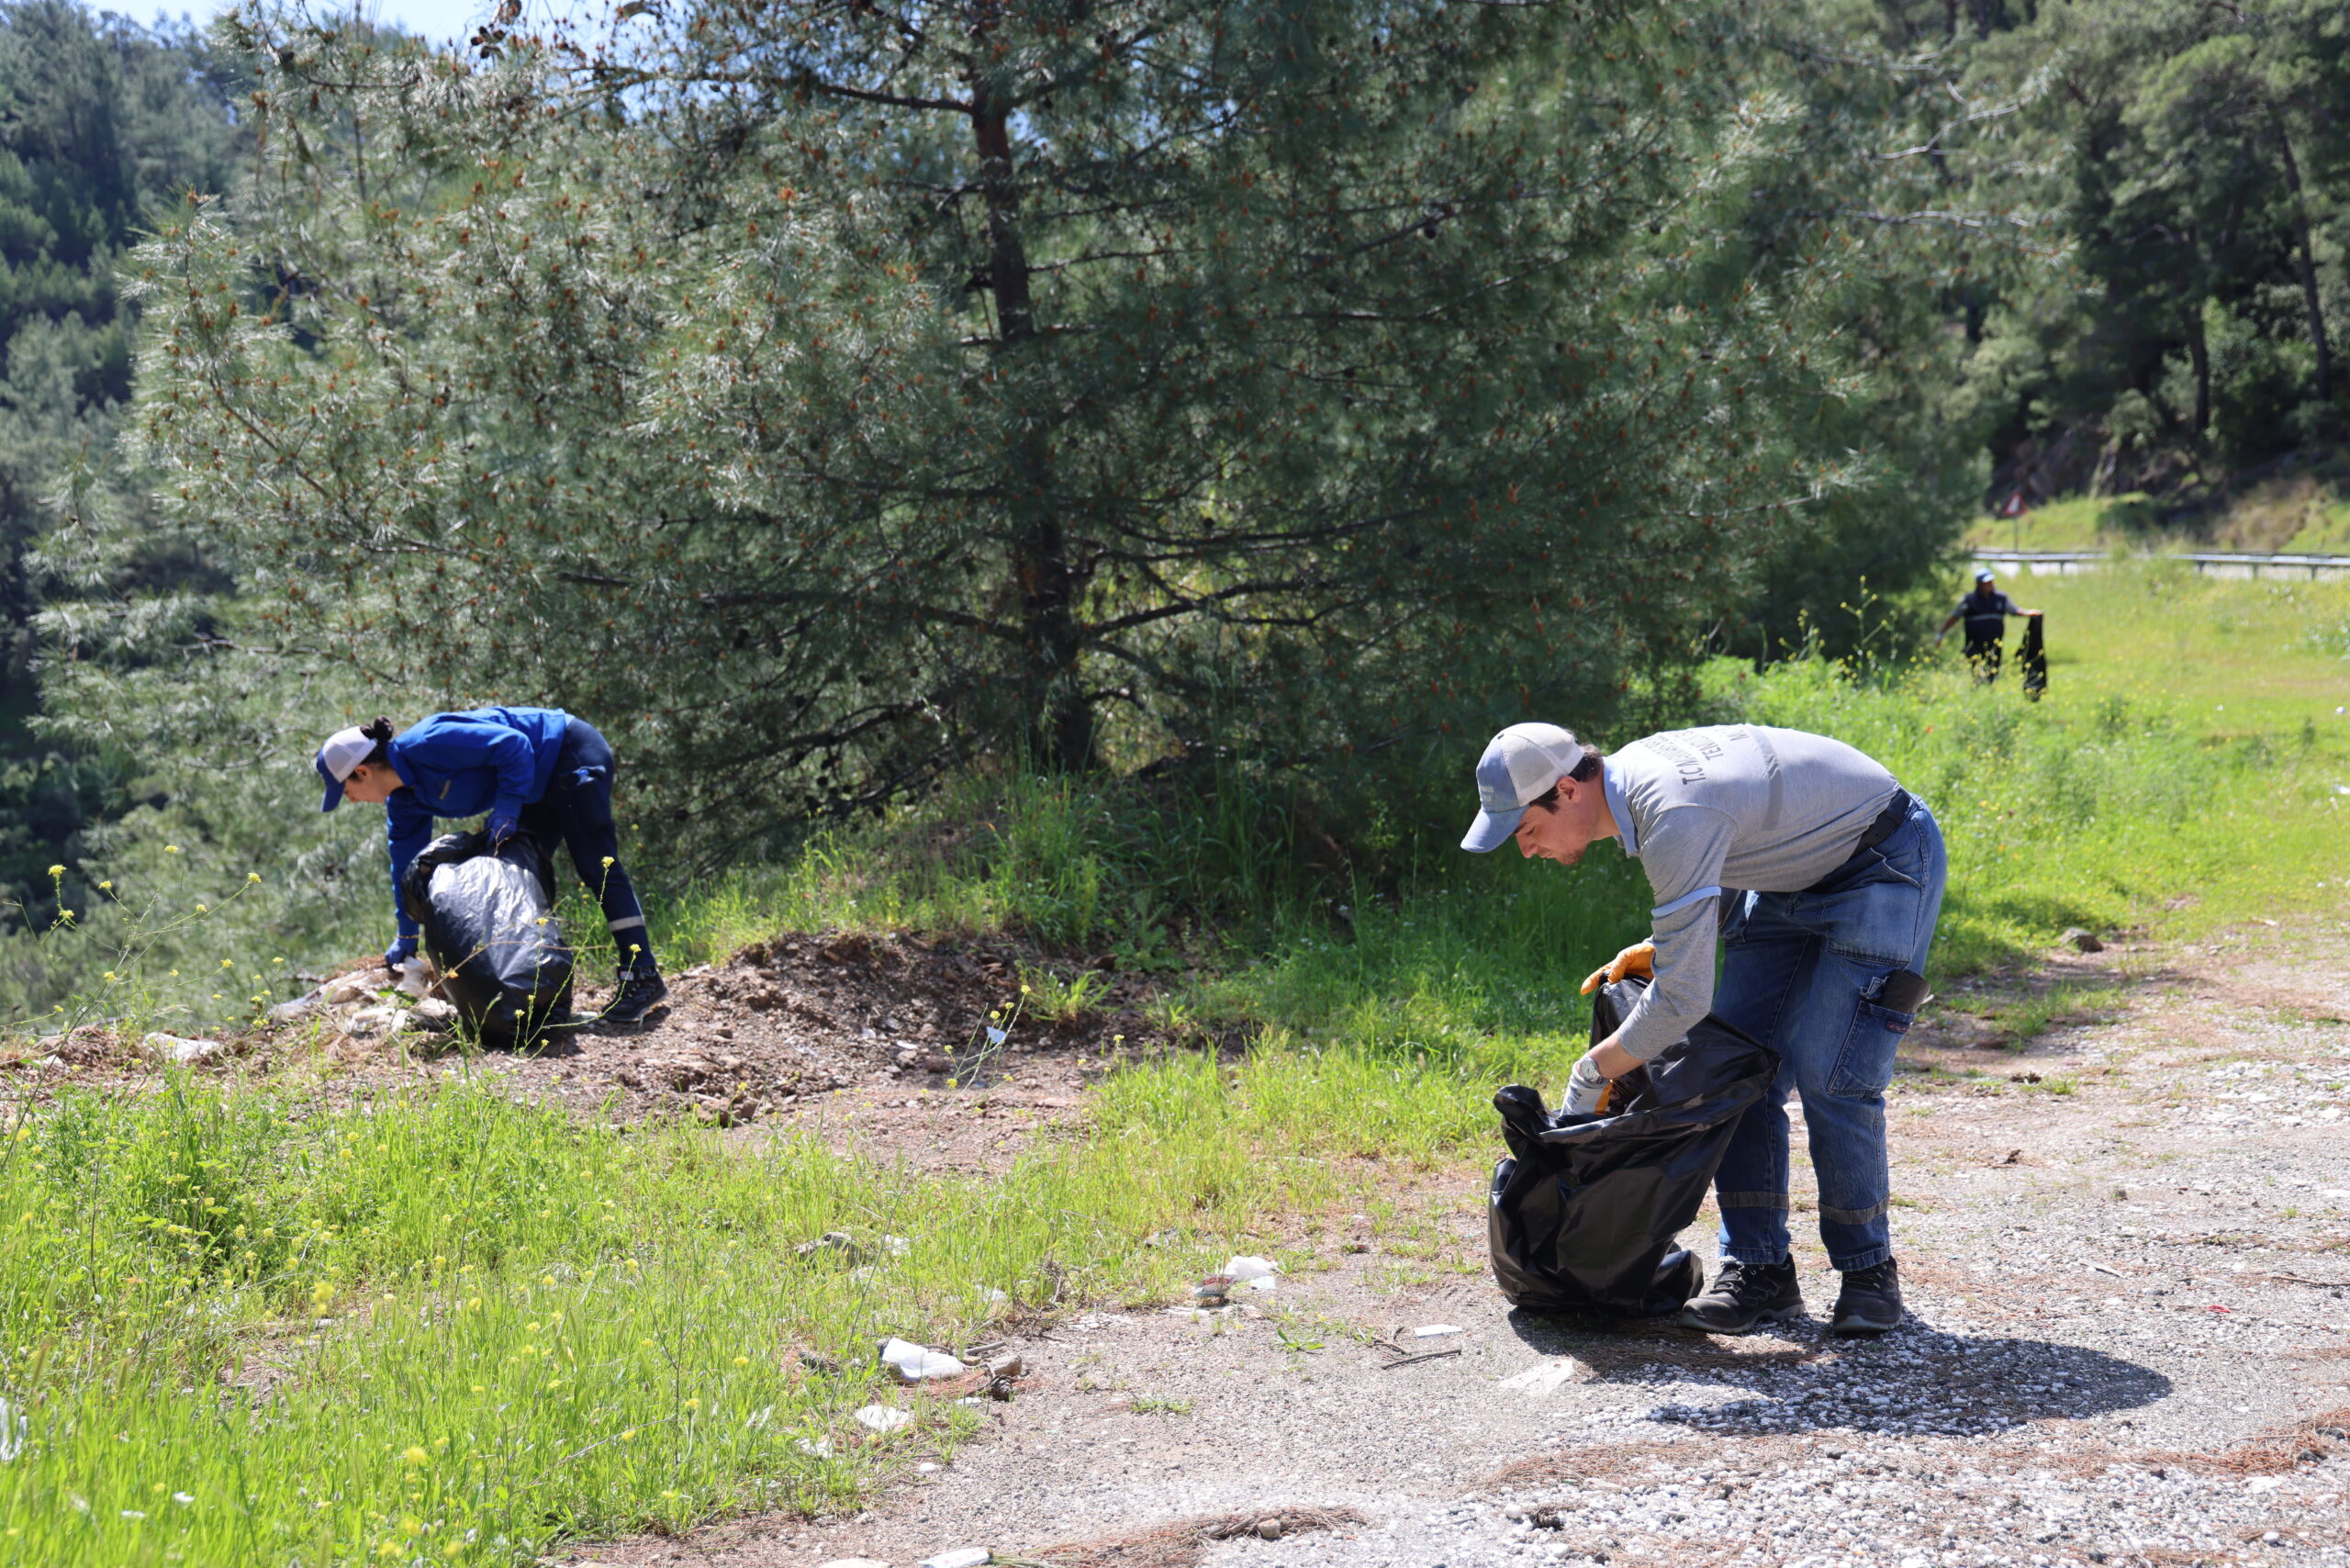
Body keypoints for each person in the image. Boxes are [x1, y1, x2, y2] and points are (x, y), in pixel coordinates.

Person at [1460, 722, 1945, 1336]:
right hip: (1785, 876)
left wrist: (1592, 1074)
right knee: (1735, 1073)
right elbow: (1730, 837)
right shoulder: (1637, 792)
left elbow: (1683, 1002)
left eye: (1527, 831)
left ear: (1568, 790)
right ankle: (1760, 1270)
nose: (1527, 851)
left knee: (1834, 1076)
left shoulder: (1668, 811)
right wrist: (1663, 947)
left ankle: (1868, 1272)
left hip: (1881, 863)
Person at [312, 707, 668, 1024]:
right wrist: (407, 933)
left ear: (362, 772)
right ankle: (533, 992)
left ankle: (642, 974)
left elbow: (514, 745)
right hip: (533, 783)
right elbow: (405, 866)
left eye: (345, 791)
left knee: (596, 863)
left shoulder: (429, 742)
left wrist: (508, 808)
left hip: (565, 750)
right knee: (514, 878)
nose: (351, 800)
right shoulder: (404, 803)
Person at [1937, 568, 2038, 683]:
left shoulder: (2001, 599)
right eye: (1986, 582)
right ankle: (1978, 687)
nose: (1990, 584)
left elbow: (2014, 611)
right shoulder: (1968, 600)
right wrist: (1941, 634)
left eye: (1991, 582)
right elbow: (1954, 617)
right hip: (1974, 644)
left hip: (1994, 644)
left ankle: (1990, 688)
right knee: (1977, 672)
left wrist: (2028, 613)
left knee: (1993, 672)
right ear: (1979, 584)